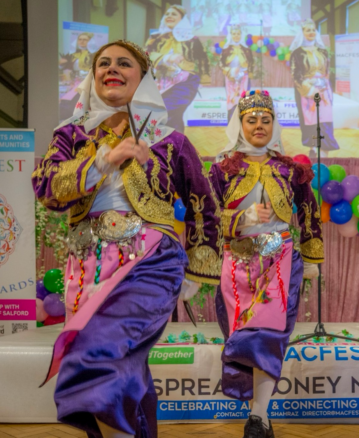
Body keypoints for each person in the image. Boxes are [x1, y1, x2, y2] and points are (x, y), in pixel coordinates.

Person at [33, 40, 222, 438]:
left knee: (102, 349)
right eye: (103, 63)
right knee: (124, 360)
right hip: (86, 265)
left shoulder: (170, 140)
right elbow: (45, 188)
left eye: (123, 63)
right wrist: (102, 159)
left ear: (144, 77)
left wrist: (197, 269)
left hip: (151, 260)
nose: (111, 69)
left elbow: (205, 204)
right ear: (93, 75)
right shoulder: (71, 134)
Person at [210, 90, 323, 438]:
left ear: (274, 124)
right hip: (236, 263)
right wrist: (241, 217)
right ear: (240, 124)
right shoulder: (222, 168)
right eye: (251, 119)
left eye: (266, 119)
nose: (259, 125)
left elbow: (308, 213)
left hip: (281, 259)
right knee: (243, 338)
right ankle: (259, 415)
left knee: (269, 336)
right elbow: (208, 215)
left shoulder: (291, 169)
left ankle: (259, 418)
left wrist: (314, 256)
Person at [145, 4, 209, 133]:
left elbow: (203, 59)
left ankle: (170, 147)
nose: (169, 16)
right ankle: (174, 148)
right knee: (172, 117)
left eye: (174, 14)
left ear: (182, 19)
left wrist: (203, 80)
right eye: (167, 14)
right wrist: (166, 58)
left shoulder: (192, 39)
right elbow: (145, 55)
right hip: (160, 83)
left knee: (168, 112)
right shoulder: (155, 38)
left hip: (185, 83)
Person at [290, 19, 339, 159]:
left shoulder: (322, 51)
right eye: (308, 30)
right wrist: (311, 90)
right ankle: (313, 147)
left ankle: (324, 151)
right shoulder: (297, 53)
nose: (311, 32)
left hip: (324, 90)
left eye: (313, 30)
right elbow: (296, 75)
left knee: (324, 119)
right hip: (306, 92)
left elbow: (327, 71)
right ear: (302, 33)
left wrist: (324, 87)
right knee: (311, 120)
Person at [220, 24, 254, 121]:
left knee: (242, 101)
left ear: (241, 35)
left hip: (244, 79)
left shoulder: (246, 50)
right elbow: (221, 63)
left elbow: (251, 63)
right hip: (229, 78)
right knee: (231, 100)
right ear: (230, 35)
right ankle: (231, 126)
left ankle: (242, 126)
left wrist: (246, 72)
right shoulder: (226, 50)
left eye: (238, 34)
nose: (236, 36)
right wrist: (228, 72)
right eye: (234, 34)